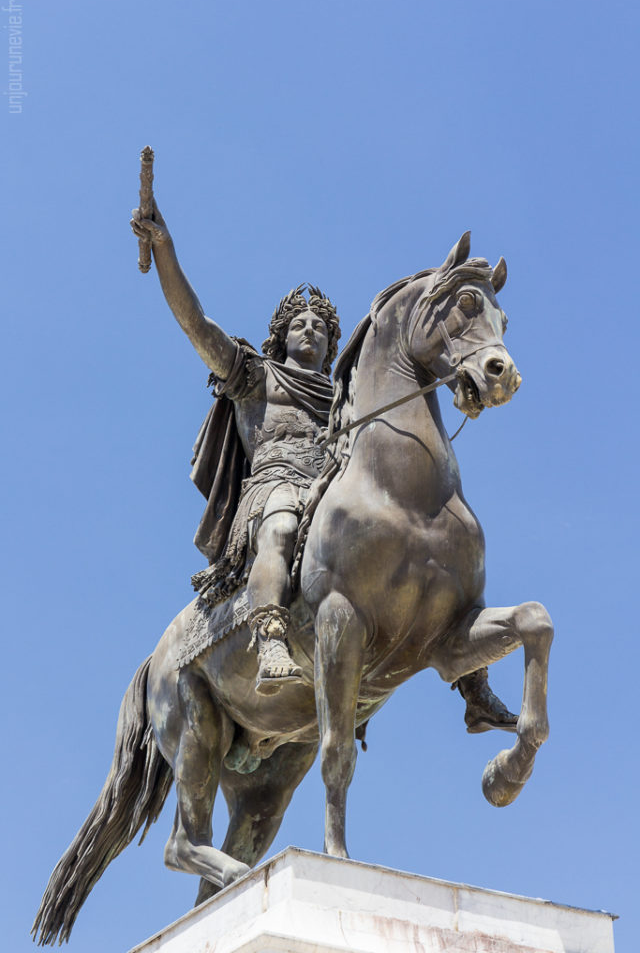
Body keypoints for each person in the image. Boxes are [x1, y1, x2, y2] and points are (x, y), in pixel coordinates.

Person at [130, 201, 518, 728]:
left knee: (443, 536)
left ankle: (473, 683)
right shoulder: (254, 374)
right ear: (281, 334)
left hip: (335, 482)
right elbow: (195, 323)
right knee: (282, 524)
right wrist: (166, 251)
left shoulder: (345, 392)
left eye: (319, 326)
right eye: (299, 324)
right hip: (277, 482)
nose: (309, 331)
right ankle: (269, 639)